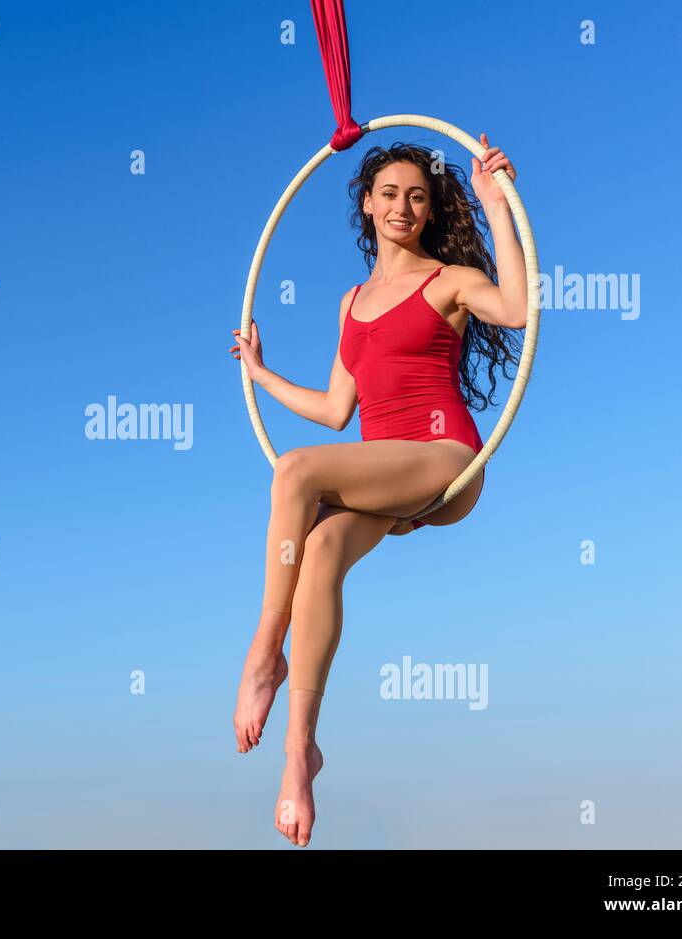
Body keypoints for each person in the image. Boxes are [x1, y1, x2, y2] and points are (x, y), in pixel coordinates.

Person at [229, 133, 526, 846]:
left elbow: (516, 309)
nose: (403, 205)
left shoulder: (448, 279)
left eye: (417, 196)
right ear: (366, 204)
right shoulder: (351, 301)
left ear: (429, 211)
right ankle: (301, 749)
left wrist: (497, 204)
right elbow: (338, 409)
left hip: (444, 459)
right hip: (382, 472)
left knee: (296, 470)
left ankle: (265, 652)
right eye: (389, 193)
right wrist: (263, 374)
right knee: (323, 544)